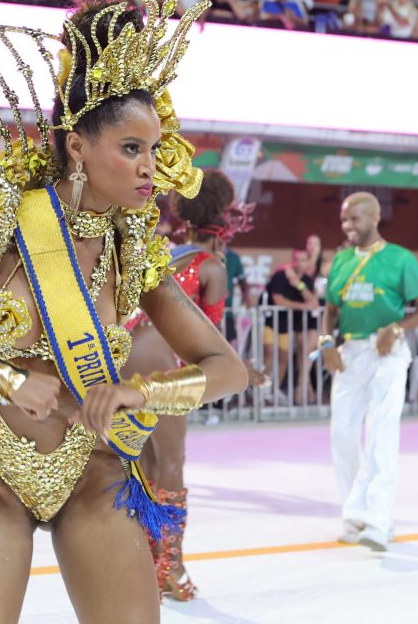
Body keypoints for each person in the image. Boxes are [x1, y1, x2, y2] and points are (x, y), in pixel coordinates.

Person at [0, 0, 246, 622]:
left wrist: (139, 394)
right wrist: (3, 377)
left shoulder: (134, 248)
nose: (150, 167)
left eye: (153, 149)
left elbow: (229, 369)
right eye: (130, 148)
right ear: (77, 146)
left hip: (95, 475)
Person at [124, 170, 236, 601]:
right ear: (222, 217)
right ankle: (170, 569)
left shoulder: (166, 254)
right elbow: (210, 340)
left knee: (148, 468)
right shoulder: (211, 266)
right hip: (164, 365)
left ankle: (150, 564)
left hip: (127, 357)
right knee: (171, 466)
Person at [320, 192, 418, 552]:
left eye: (354, 219)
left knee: (381, 433)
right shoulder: (340, 260)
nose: (347, 226)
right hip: (350, 353)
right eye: (343, 220)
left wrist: (397, 328)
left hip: (387, 353)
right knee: (341, 434)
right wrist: (326, 343)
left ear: (374, 217)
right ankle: (355, 512)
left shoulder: (400, 259)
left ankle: (379, 520)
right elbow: (331, 309)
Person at [263, 249, 320, 404]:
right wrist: (302, 306)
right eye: (297, 260)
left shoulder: (306, 280)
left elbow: (313, 303)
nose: (300, 263)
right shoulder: (280, 276)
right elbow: (278, 300)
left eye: (303, 260)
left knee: (284, 357)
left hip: (287, 325)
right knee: (268, 353)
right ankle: (263, 389)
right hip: (270, 322)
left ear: (307, 262)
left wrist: (298, 284)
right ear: (292, 260)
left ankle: (274, 390)